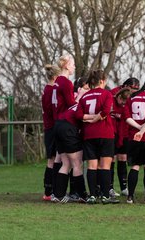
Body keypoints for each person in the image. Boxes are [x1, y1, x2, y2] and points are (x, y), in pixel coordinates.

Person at [75, 69, 120, 204]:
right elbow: (106, 111)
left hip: (89, 134)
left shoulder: (84, 96)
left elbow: (78, 115)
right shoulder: (106, 94)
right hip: (105, 133)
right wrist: (95, 118)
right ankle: (105, 196)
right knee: (105, 166)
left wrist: (88, 118)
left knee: (92, 166)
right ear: (102, 81)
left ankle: (92, 195)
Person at [52, 55, 87, 203]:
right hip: (67, 124)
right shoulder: (65, 82)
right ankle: (81, 194)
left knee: (65, 162)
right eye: (72, 64)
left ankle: (58, 194)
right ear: (66, 65)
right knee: (76, 162)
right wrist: (80, 95)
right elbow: (72, 104)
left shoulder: (56, 82)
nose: (74, 67)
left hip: (58, 124)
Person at [41, 64, 61, 201]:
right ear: (55, 77)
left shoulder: (46, 89)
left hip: (49, 128)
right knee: (55, 159)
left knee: (52, 159)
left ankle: (49, 191)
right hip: (53, 127)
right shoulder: (52, 90)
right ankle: (51, 191)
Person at [110, 88, 132, 197]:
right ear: (118, 96)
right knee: (111, 159)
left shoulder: (126, 104)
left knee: (123, 158)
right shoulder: (110, 100)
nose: (123, 103)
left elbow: (127, 117)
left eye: (125, 102)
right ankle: (110, 187)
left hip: (124, 134)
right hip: (112, 134)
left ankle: (124, 187)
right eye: (122, 101)